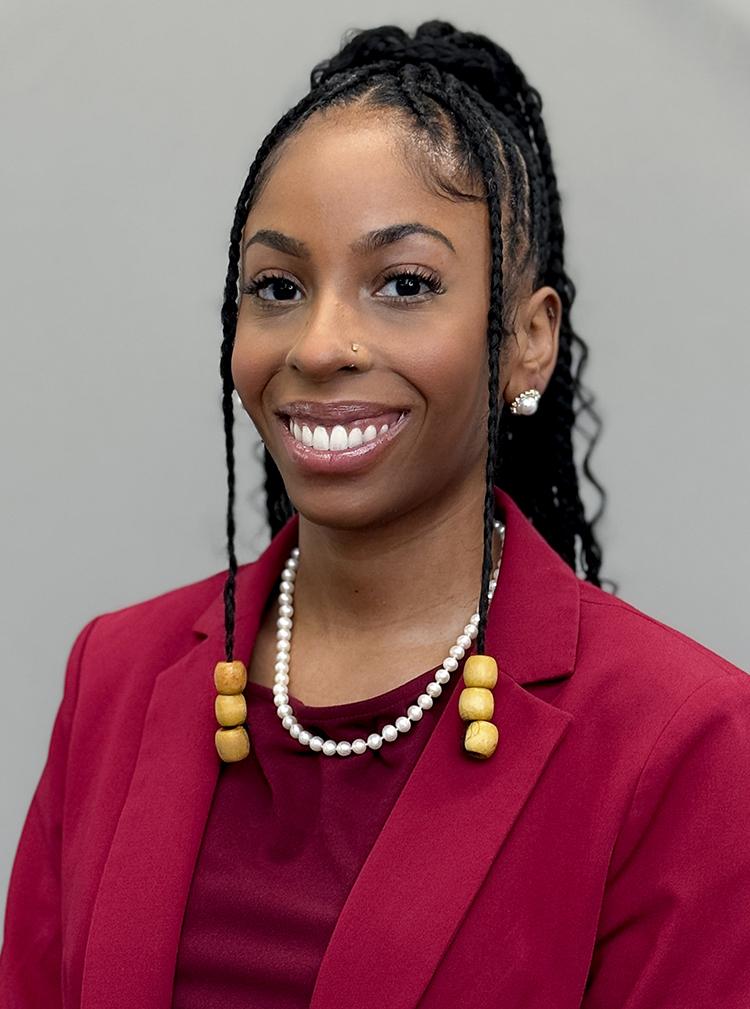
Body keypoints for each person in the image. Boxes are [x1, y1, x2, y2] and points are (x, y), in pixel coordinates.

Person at [1, 19, 749, 1009]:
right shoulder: (116, 674)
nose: (319, 344)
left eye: (403, 284)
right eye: (277, 286)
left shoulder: (684, 743)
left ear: (529, 341)